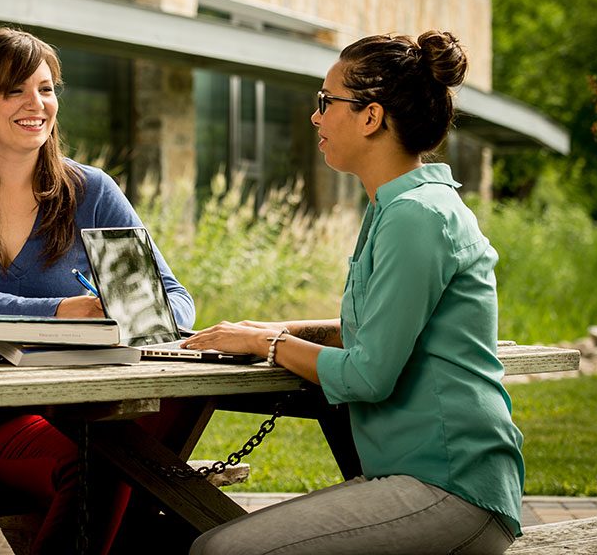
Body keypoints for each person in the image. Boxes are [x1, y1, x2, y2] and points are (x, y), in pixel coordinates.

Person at [184, 31, 524, 555]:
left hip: (453, 489)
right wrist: (274, 330)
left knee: (222, 551)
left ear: (371, 117)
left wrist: (267, 347)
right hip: (420, 479)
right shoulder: (400, 207)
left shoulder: (417, 217)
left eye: (326, 102)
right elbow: (379, 330)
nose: (316, 117)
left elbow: (369, 373)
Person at [0, 26, 196, 554]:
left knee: (110, 468)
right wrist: (63, 311)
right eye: (15, 91)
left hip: (29, 417)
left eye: (47, 88)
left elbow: (172, 300)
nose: (37, 104)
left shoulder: (90, 190)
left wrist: (129, 308)